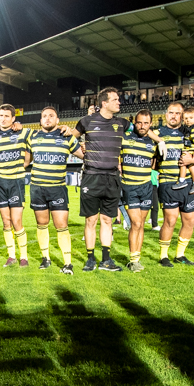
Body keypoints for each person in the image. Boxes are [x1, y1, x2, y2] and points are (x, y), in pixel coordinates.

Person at [69, 86, 128, 272]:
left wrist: (159, 141)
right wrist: (81, 154)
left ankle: (106, 259)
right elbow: (70, 138)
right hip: (92, 177)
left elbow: (143, 129)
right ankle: (90, 259)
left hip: (112, 177)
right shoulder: (86, 121)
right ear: (104, 103)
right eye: (115, 99)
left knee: (108, 220)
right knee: (90, 220)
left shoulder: (123, 123)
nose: (119, 102)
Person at [24, 106, 83, 273]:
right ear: (40, 121)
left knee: (61, 225)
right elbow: (25, 162)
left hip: (57, 188)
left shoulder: (67, 137)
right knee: (41, 223)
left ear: (58, 120)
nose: (47, 118)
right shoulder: (33, 137)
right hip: (38, 188)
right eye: (44, 116)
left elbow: (84, 155)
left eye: (51, 116)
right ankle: (46, 258)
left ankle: (67, 263)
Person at [156, 101, 194, 266]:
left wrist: (193, 159)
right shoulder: (158, 133)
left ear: (182, 116)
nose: (174, 116)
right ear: (166, 114)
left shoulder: (189, 131)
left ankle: (180, 254)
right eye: (171, 112)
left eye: (178, 113)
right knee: (170, 219)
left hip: (190, 182)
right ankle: (164, 256)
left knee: (189, 220)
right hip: (168, 181)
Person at [119, 109, 157, 272]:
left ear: (151, 124)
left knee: (140, 225)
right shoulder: (124, 138)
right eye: (139, 122)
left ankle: (136, 258)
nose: (142, 126)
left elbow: (156, 163)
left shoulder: (153, 143)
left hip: (146, 186)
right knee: (136, 222)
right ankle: (133, 261)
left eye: (146, 123)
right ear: (134, 122)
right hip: (129, 186)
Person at [0, 104, 29, 267]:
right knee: (6, 222)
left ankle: (24, 257)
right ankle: (11, 256)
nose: (3, 119)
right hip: (0, 182)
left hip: (16, 182)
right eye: (1, 115)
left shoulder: (21, 132)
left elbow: (31, 152)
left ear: (13, 118)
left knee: (16, 221)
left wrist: (23, 165)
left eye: (7, 116)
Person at [175, 105, 194, 191]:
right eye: (186, 118)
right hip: (191, 150)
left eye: (191, 118)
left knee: (183, 164)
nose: (188, 120)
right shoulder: (189, 128)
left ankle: (181, 180)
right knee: (192, 168)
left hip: (191, 150)